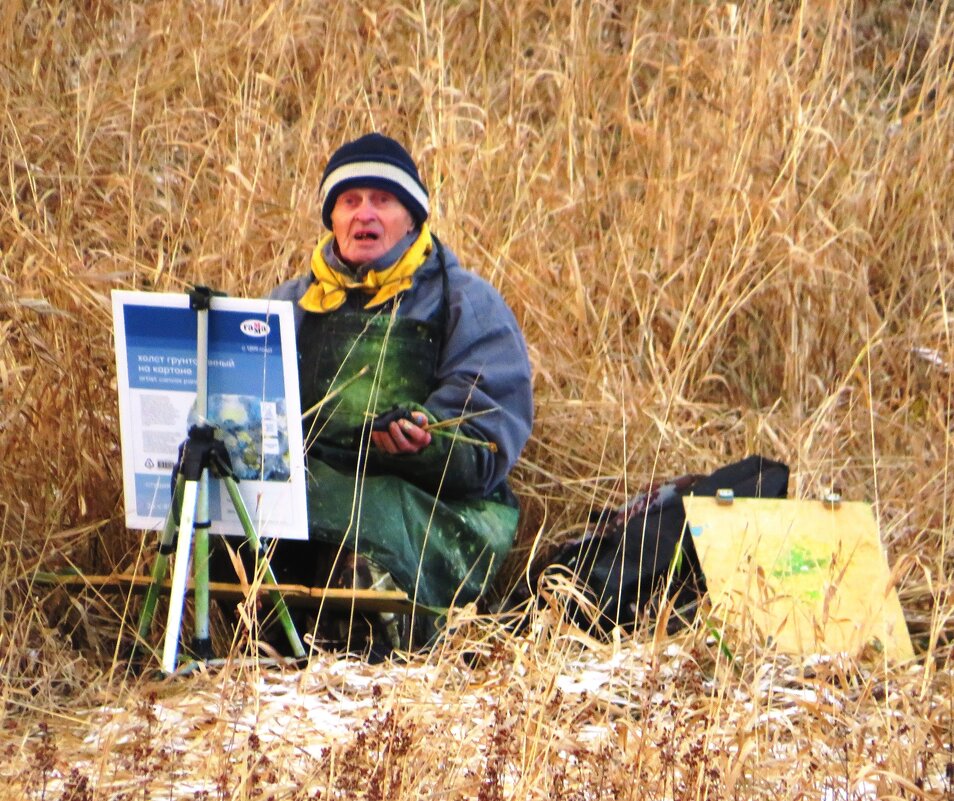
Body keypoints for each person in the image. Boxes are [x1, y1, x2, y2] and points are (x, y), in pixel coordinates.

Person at [261, 132, 533, 654]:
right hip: (310, 490)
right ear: (333, 219)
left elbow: (489, 435)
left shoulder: (466, 301)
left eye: (382, 200)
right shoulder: (289, 303)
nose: (365, 213)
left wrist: (426, 443)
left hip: (428, 501)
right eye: (349, 201)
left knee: (369, 535)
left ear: (412, 218)